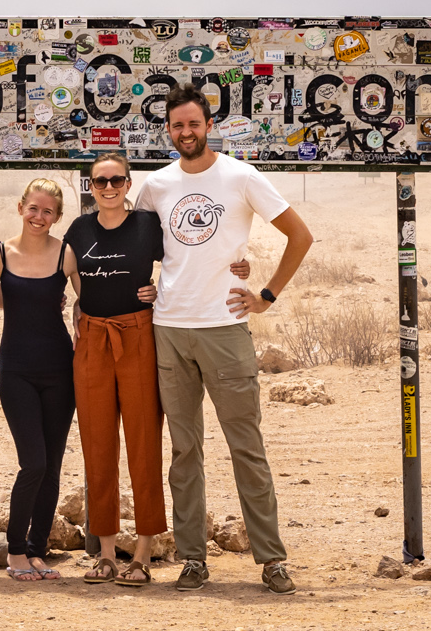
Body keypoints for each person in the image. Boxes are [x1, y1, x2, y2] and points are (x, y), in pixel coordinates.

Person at [135, 85, 314, 593]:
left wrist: (266, 294)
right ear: (168, 131)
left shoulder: (240, 176)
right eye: (177, 126)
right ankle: (193, 558)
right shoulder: (157, 185)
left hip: (225, 329)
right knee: (184, 451)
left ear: (207, 125)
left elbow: (299, 236)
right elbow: (136, 244)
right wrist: (141, 287)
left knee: (246, 447)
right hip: (169, 330)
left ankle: (271, 559)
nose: (185, 133)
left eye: (193, 124)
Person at [61, 153, 168, 585]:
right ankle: (105, 553)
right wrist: (78, 306)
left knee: (144, 441)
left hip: (138, 336)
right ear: (90, 187)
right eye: (99, 182)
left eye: (116, 180)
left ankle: (141, 554)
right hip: (93, 341)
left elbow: (184, 263)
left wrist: (161, 290)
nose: (108, 188)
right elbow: (60, 270)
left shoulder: (147, 226)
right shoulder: (79, 229)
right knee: (97, 443)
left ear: (128, 183)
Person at [0, 178, 80, 582]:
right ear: (21, 207)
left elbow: (84, 302)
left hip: (60, 369)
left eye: (48, 212)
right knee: (32, 463)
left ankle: (38, 551)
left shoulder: (67, 255)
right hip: (16, 370)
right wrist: (23, 300)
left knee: (52, 466)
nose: (39, 217)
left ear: (57, 217)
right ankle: (15, 551)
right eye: (33, 209)